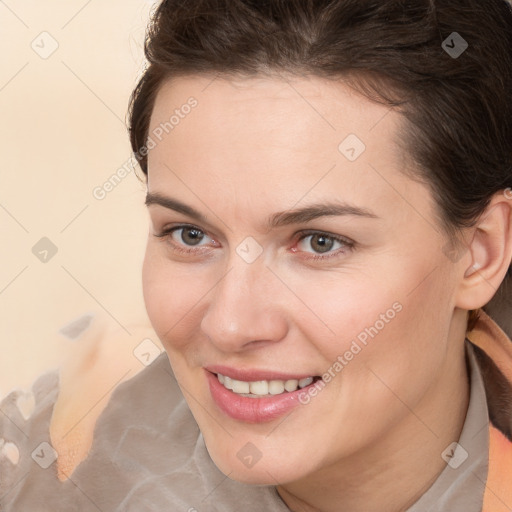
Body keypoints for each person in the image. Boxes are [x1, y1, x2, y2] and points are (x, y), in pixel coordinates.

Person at [1, 1, 512, 510]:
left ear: (480, 253)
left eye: (319, 242)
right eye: (190, 234)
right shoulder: (43, 475)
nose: (229, 325)